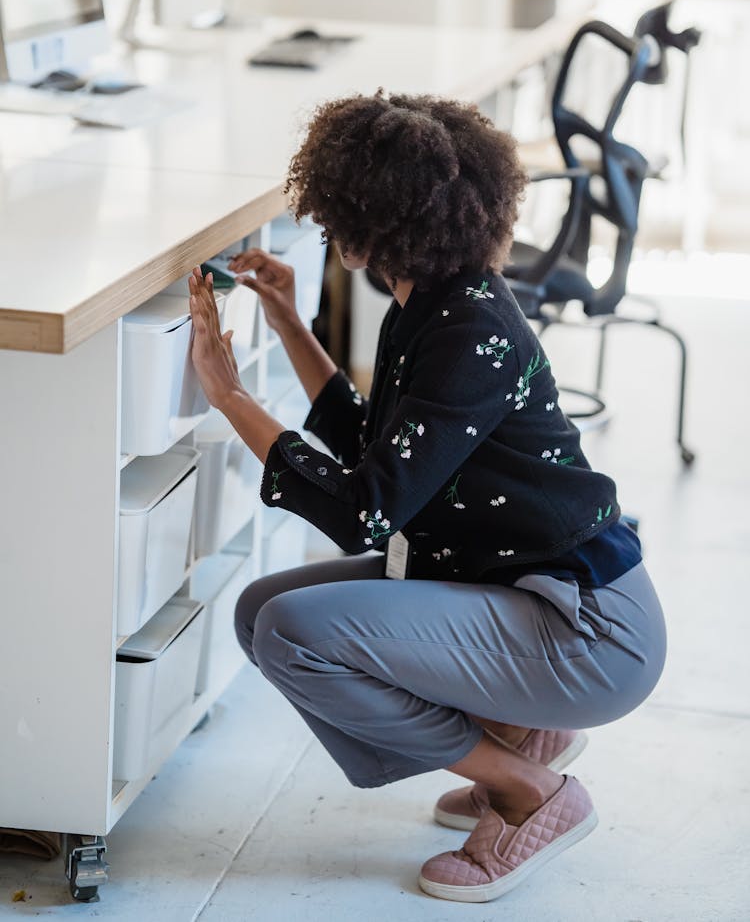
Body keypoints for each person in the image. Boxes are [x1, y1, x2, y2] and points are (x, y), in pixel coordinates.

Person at [188, 91, 667, 904]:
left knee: (293, 631)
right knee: (259, 612)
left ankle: (526, 788)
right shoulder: (432, 298)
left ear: (370, 224)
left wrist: (233, 398)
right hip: (527, 592)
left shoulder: (471, 332)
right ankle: (520, 733)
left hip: (590, 632)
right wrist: (290, 323)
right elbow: (382, 452)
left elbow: (363, 512)